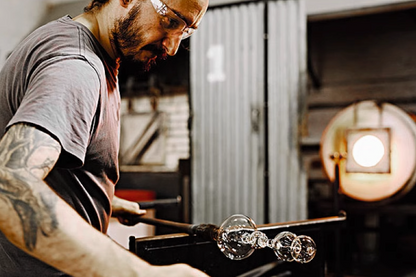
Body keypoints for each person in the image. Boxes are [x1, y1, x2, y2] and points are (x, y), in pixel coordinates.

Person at [0, 0, 209, 276]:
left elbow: (46, 171)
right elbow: (10, 183)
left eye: (185, 32)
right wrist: (144, 274)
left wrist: (94, 199)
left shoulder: (62, 39)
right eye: (171, 21)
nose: (171, 47)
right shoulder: (77, 67)